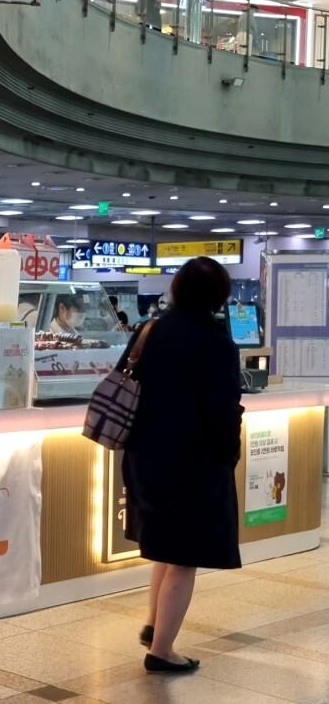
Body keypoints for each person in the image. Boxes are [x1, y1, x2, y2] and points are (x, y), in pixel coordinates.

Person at [117, 256, 243, 673]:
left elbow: (124, 379)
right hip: (193, 463)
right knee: (184, 557)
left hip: (143, 457)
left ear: (176, 290)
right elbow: (222, 411)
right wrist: (229, 454)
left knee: (165, 548)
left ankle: (155, 625)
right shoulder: (218, 344)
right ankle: (162, 651)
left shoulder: (149, 330)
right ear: (219, 296)